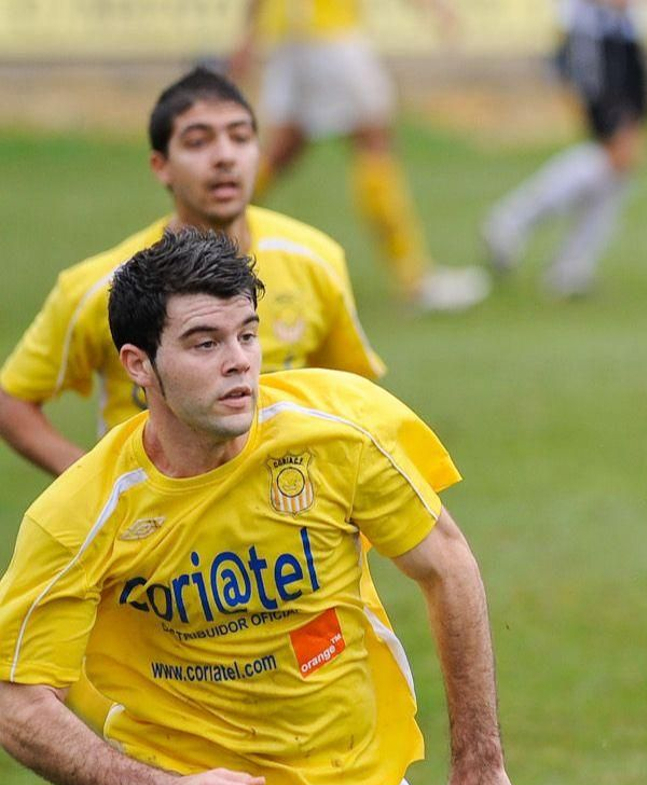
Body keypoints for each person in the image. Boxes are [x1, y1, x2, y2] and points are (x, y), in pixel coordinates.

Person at [0, 229, 518, 785]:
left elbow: (447, 566)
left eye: (247, 334)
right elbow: (16, 695)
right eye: (204, 342)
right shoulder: (83, 512)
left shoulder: (337, 432)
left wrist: (479, 762)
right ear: (137, 364)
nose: (239, 361)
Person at [0, 66, 384, 480]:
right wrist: (93, 483)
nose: (224, 156)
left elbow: (351, 394)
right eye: (199, 141)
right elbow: (11, 400)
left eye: (240, 137)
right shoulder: (101, 286)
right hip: (153, 531)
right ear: (161, 165)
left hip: (281, 520)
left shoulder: (314, 259)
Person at [231, 0, 490, 312]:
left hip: (290, 40)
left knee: (281, 152)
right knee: (374, 144)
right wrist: (433, 8)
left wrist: (248, 34)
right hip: (331, 35)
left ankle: (194, 240)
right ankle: (414, 279)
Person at [481, 0, 647, 299]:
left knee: (622, 161)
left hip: (624, 35)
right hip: (592, 34)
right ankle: (509, 223)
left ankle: (569, 268)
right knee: (613, 153)